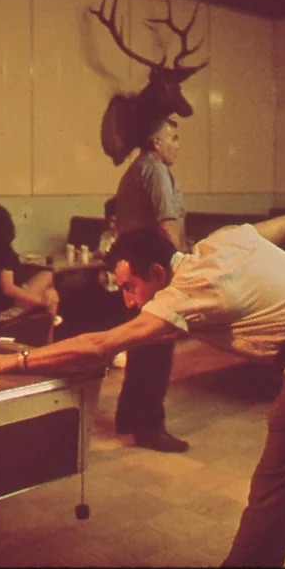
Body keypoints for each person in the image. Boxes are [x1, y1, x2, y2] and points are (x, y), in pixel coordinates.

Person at [0, 217, 285, 568]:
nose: (128, 300)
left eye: (130, 287)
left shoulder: (183, 293)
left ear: (157, 273)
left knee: (274, 492)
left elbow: (101, 344)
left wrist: (15, 361)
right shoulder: (225, 239)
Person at [112, 115, 187, 452]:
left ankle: (128, 417)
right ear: (157, 142)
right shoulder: (156, 170)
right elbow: (167, 224)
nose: (177, 145)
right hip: (153, 271)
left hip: (133, 268)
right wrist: (178, 270)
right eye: (173, 138)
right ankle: (150, 429)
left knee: (139, 345)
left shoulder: (134, 170)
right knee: (157, 349)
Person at [0, 202, 60, 326]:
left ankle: (49, 323)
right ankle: (50, 329)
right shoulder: (4, 252)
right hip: (6, 308)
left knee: (49, 284)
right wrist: (39, 301)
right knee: (51, 291)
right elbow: (8, 288)